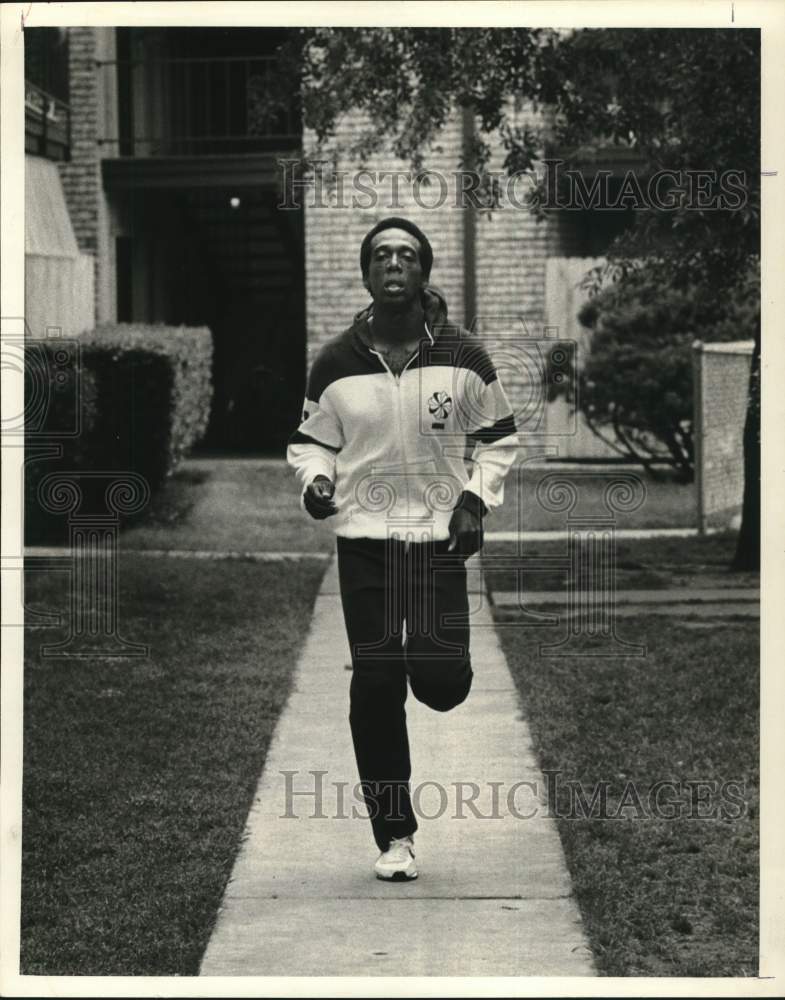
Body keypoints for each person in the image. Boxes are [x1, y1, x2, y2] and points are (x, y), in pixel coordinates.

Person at [287, 217, 518, 881]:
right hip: (365, 543)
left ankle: (433, 663)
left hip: (438, 540)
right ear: (365, 274)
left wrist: (474, 500)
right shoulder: (335, 361)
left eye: (407, 255)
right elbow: (309, 441)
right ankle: (395, 838)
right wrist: (316, 480)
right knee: (376, 685)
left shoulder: (463, 355)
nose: (393, 263)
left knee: (441, 686)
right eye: (381, 254)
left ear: (423, 273)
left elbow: (499, 438)